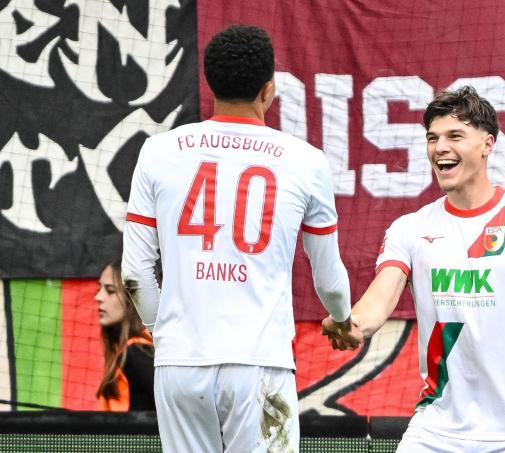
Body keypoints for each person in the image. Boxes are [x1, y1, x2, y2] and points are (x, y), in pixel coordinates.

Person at [121, 24, 361, 453]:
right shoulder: (306, 161)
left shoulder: (158, 151)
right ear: (269, 90)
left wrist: (166, 334)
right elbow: (328, 276)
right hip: (260, 364)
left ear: (209, 84)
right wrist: (342, 319)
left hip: (180, 366)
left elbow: (135, 273)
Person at [323, 86, 505, 452]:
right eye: (433, 138)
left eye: (454, 136)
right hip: (434, 432)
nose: (440, 147)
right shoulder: (411, 228)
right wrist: (351, 324)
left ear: (487, 144)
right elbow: (377, 303)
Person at [95, 259, 155, 411]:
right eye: (99, 288)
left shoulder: (138, 354)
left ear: (132, 299)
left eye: (110, 291)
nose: (98, 297)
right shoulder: (130, 351)